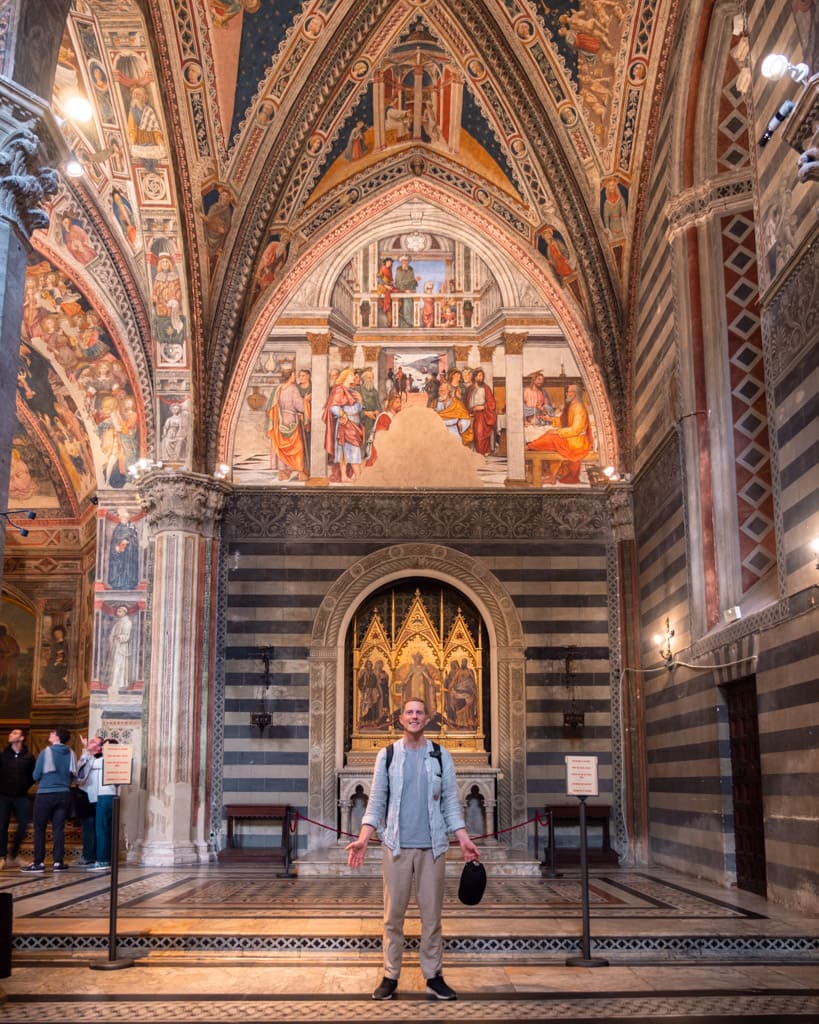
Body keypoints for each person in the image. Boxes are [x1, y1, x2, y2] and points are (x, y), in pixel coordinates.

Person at [346, 698, 480, 1001]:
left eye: (420, 712)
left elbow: (450, 804)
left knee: (432, 917)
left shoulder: (441, 756)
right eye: (410, 712)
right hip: (397, 847)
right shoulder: (388, 755)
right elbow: (376, 802)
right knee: (393, 916)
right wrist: (364, 838)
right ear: (401, 718)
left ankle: (433, 976)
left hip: (432, 848)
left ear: (427, 718)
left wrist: (464, 838)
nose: (415, 716)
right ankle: (390, 975)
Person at [22, 726, 77, 873]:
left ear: (57, 737)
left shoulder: (46, 752)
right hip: (64, 794)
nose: (50, 735)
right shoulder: (71, 753)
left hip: (46, 794)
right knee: (58, 828)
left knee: (40, 828)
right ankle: (58, 862)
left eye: (52, 733)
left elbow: (36, 775)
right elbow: (73, 774)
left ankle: (38, 862)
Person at [526, 382, 593, 484]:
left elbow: (576, 429)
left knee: (551, 437)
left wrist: (558, 431)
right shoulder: (571, 405)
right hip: (571, 438)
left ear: (574, 394)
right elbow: (563, 421)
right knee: (550, 435)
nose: (566, 394)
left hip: (577, 441)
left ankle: (530, 446)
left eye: (568, 392)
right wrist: (550, 419)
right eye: (567, 392)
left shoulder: (579, 407)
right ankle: (550, 475)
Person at [76, 736, 117, 871]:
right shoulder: (110, 761)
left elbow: (89, 763)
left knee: (101, 829)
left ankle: (102, 860)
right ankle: (106, 858)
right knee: (105, 829)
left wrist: (87, 749)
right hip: (109, 797)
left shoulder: (106, 760)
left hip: (105, 797)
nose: (103, 748)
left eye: (105, 746)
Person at [0, 728, 35, 869]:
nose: (10, 735)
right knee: (2, 826)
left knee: (24, 824)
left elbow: (33, 776)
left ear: (21, 738)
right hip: (3, 796)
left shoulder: (28, 756)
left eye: (14, 733)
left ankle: (13, 855)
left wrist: (24, 786)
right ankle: (2, 856)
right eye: (11, 733)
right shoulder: (3, 755)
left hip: (21, 796)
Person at [266, 369, 308, 481]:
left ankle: (283, 472)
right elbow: (300, 406)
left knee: (281, 446)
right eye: (294, 375)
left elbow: (270, 406)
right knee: (296, 447)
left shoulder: (277, 389)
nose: (295, 377)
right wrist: (307, 401)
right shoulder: (293, 389)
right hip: (290, 419)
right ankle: (300, 472)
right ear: (290, 376)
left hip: (278, 420)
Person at [465, 368, 497, 456]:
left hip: (483, 414)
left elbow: (492, 403)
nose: (481, 378)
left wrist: (483, 407)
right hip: (471, 414)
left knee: (480, 434)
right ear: (475, 377)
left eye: (482, 376)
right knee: (472, 434)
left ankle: (482, 453)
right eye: (479, 376)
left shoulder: (486, 388)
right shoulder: (470, 388)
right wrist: (470, 409)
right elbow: (466, 401)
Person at [394, 255, 420, 327]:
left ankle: (411, 324)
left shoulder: (411, 270)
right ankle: (407, 324)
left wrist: (415, 281)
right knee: (405, 309)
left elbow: (412, 283)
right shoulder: (398, 270)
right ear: (401, 262)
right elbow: (398, 283)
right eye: (404, 261)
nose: (405, 263)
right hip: (402, 292)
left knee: (411, 308)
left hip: (411, 292)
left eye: (406, 261)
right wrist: (405, 290)